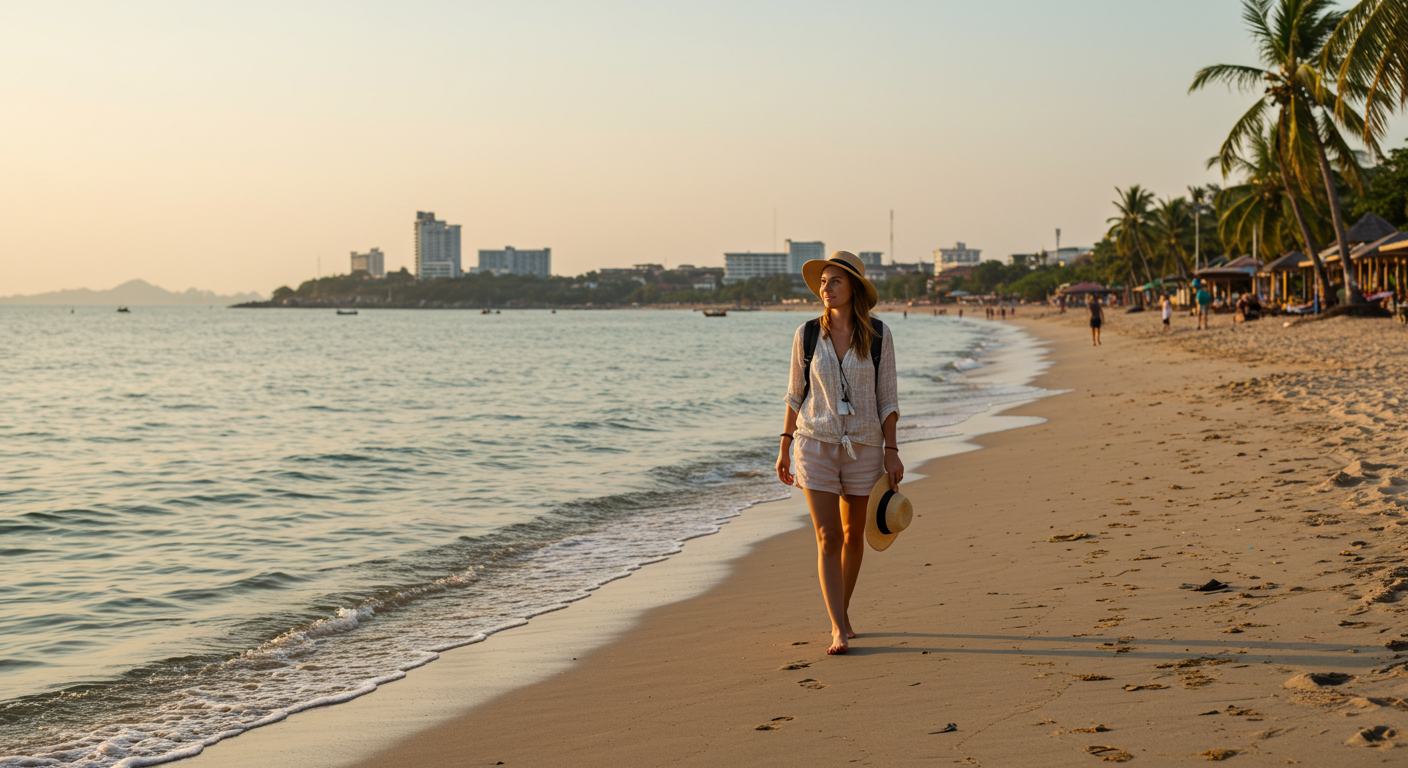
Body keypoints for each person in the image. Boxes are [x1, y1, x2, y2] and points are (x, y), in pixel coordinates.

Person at [776, 251, 902, 656]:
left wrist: (892, 451)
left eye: (835, 282)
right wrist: (785, 443)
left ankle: (842, 612)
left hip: (865, 447)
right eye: (823, 282)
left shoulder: (879, 335)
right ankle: (837, 628)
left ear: (853, 290)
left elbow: (888, 399)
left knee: (853, 536)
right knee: (828, 536)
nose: (825, 288)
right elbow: (795, 394)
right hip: (815, 444)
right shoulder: (808, 334)